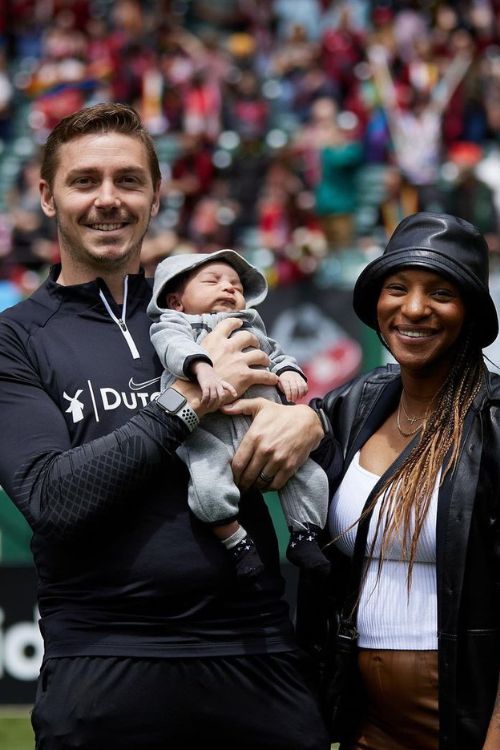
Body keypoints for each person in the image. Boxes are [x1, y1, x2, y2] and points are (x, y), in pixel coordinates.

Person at [0, 102, 332, 749]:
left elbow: (301, 411)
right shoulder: (16, 340)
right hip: (104, 661)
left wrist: (311, 424)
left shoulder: (213, 315)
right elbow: (50, 497)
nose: (107, 200)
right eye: (84, 180)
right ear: (46, 195)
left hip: (257, 649)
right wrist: (186, 400)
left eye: (128, 180)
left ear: (156, 197)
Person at [289, 211, 500, 750]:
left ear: (471, 313)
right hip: (363, 719)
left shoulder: (495, 418)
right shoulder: (355, 405)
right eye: (397, 288)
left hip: (465, 719)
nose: (413, 309)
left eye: (441, 293)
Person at [147, 249, 331, 580]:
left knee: (311, 476)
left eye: (236, 284)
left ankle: (305, 536)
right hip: (208, 434)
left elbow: (274, 352)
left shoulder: (250, 324)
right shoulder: (174, 323)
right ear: (176, 301)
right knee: (207, 483)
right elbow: (174, 348)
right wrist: (203, 369)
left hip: (261, 427)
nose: (229, 287)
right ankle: (236, 541)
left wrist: (289, 373)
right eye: (213, 281)